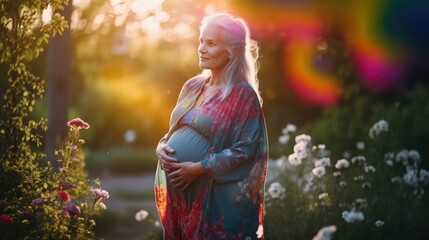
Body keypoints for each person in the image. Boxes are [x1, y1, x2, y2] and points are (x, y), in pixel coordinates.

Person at [155, 13, 268, 240]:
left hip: (214, 200)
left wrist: (199, 168)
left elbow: (246, 150)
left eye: (212, 43)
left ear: (231, 51)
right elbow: (173, 131)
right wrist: (161, 146)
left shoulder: (242, 94)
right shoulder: (192, 86)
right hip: (180, 198)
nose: (202, 49)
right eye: (201, 41)